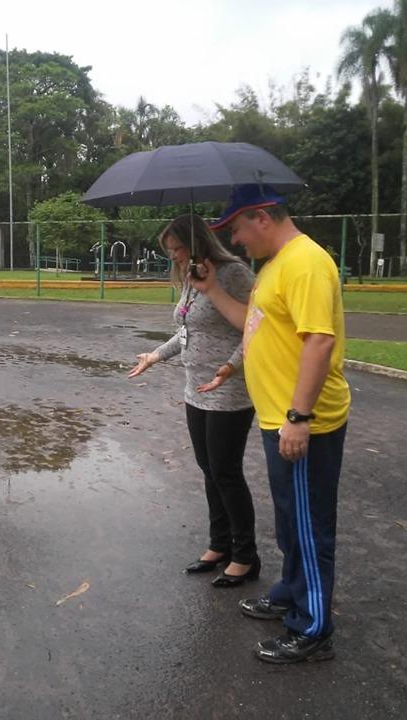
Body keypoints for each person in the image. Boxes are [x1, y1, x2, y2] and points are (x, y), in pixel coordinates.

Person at [193, 184, 351, 663]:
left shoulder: (305, 263)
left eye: (237, 229)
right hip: (279, 418)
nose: (236, 241)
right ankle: (289, 591)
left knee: (308, 525)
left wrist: (300, 417)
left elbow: (319, 342)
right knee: (290, 517)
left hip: (304, 422)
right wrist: (212, 290)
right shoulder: (275, 266)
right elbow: (254, 325)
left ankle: (313, 628)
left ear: (262, 217)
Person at [128, 214, 260, 587]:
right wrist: (156, 355)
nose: (172, 256)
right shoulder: (191, 275)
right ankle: (219, 545)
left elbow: (256, 327)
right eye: (168, 251)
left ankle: (246, 556)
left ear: (197, 240)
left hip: (228, 391)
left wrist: (230, 368)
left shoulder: (232, 273)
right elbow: (187, 330)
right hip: (195, 389)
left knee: (226, 472)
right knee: (209, 469)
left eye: (177, 248)